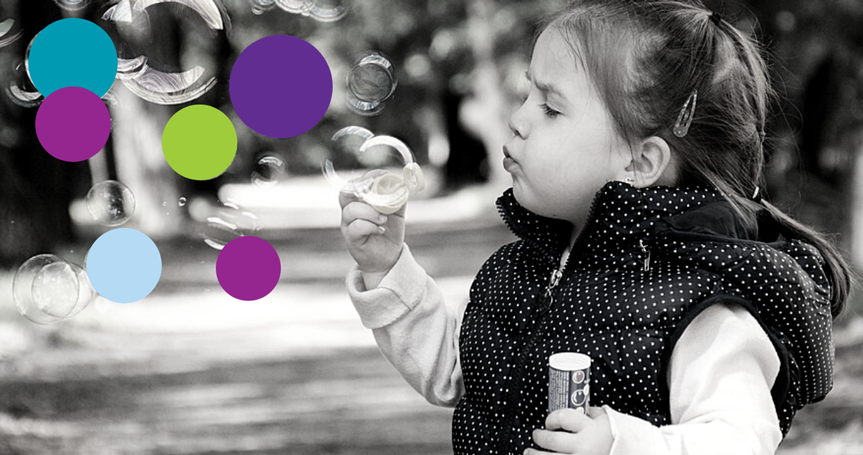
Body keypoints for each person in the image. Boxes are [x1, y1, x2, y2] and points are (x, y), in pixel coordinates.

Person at [338, 1, 852, 454]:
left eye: (551, 107)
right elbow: (461, 374)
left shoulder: (699, 302)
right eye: (526, 96)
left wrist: (620, 444)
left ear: (640, 161)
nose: (518, 120)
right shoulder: (523, 269)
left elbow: (740, 438)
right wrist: (388, 270)